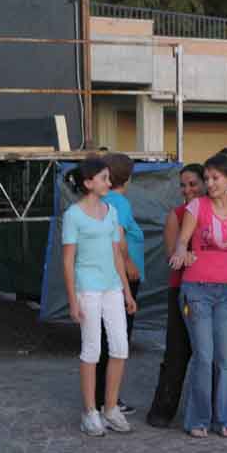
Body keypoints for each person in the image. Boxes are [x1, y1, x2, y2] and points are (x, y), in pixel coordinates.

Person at [169, 154, 227, 438]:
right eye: (207, 178)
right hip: (196, 289)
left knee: (225, 360)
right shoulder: (196, 206)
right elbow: (181, 241)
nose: (210, 183)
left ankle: (224, 419)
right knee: (204, 356)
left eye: (216, 178)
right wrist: (181, 253)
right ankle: (198, 419)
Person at [61, 156, 137, 437]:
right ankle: (90, 411)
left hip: (112, 287)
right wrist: (73, 300)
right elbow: (68, 261)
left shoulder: (111, 211)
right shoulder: (73, 215)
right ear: (88, 182)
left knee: (120, 347)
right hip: (88, 288)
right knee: (92, 349)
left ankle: (111, 407)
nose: (108, 182)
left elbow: (116, 254)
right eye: (103, 178)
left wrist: (126, 291)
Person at [146, 164, 205, 428]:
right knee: (177, 352)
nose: (187, 189)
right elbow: (172, 256)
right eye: (183, 185)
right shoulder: (177, 215)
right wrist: (189, 256)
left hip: (214, 289)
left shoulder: (218, 211)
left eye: (193, 184)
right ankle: (163, 409)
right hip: (181, 288)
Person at [92, 153, 145, 416]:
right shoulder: (119, 202)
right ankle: (108, 399)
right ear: (128, 177)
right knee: (117, 340)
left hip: (105, 275)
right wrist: (128, 263)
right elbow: (119, 237)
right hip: (122, 277)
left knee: (103, 338)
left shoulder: (101, 200)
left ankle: (99, 396)